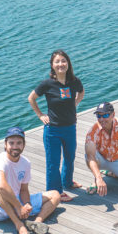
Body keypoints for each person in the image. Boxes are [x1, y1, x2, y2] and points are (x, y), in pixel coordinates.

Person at [0, 126, 62, 234]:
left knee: (55, 195)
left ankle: (35, 223)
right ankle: (20, 226)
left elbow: (24, 190)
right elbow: (2, 186)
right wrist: (19, 207)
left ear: (24, 145)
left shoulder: (25, 163)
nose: (15, 146)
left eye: (19, 143)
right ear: (5, 144)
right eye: (11, 143)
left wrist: (27, 204)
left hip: (16, 203)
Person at [28, 49, 84, 200]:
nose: (61, 64)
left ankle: (67, 182)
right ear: (52, 65)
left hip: (70, 127)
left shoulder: (74, 81)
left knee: (70, 157)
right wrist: (40, 115)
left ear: (68, 63)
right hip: (53, 130)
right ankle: (56, 192)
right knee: (53, 163)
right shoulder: (47, 84)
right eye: (57, 62)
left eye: (63, 61)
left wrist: (74, 104)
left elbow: (82, 92)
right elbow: (31, 98)